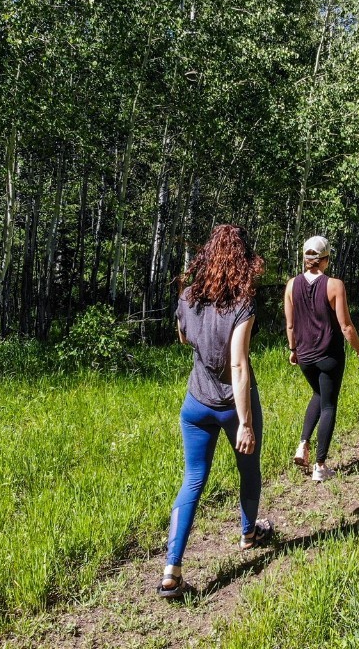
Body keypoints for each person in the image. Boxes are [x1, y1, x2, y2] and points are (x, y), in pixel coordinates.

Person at [158, 225, 272, 599]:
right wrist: (246, 423)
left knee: (193, 479)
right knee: (248, 469)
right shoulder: (243, 304)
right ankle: (248, 533)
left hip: (196, 403)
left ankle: (171, 570)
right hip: (232, 405)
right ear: (244, 261)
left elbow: (183, 337)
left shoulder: (188, 296)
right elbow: (238, 365)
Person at [284, 236, 359, 482]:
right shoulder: (334, 285)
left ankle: (303, 443)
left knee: (318, 394)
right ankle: (320, 466)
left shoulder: (291, 285)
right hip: (329, 355)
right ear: (326, 259)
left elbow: (290, 325)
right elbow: (346, 326)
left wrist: (293, 350)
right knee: (329, 405)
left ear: (305, 258)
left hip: (305, 356)